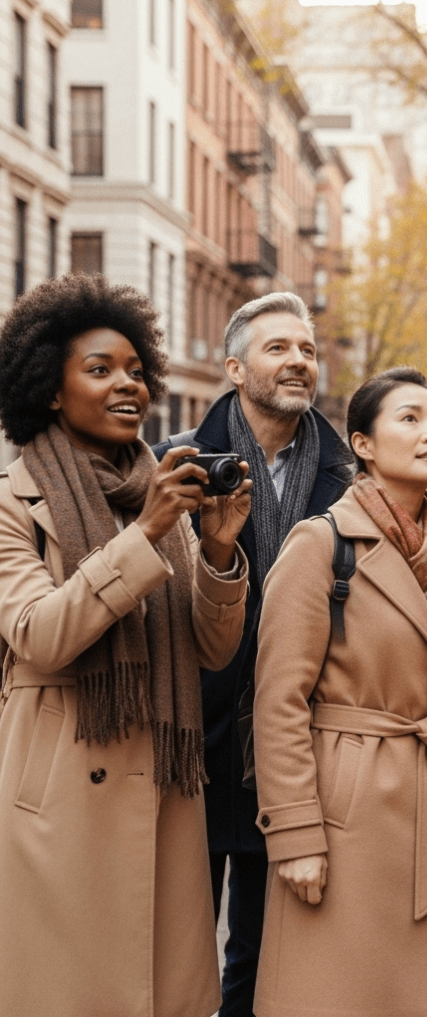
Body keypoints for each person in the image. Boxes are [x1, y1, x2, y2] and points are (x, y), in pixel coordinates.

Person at [0, 273, 251, 1016]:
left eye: (137, 372)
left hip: (164, 785)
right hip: (59, 792)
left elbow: (211, 652)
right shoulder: (15, 500)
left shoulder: (159, 489)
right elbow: (40, 636)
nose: (127, 386)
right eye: (100, 369)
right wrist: (144, 535)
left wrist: (217, 556)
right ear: (50, 386)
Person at [252, 366, 427, 1017]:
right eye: (409, 419)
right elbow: (278, 700)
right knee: (337, 995)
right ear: (362, 443)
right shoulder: (322, 544)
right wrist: (296, 835)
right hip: (344, 807)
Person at [153, 291, 352, 1017]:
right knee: (176, 948)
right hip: (191, 743)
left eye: (305, 348)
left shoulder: (349, 478)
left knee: (270, 955)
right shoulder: (169, 468)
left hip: (300, 744)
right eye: (278, 349)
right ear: (235, 369)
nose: (298, 360)